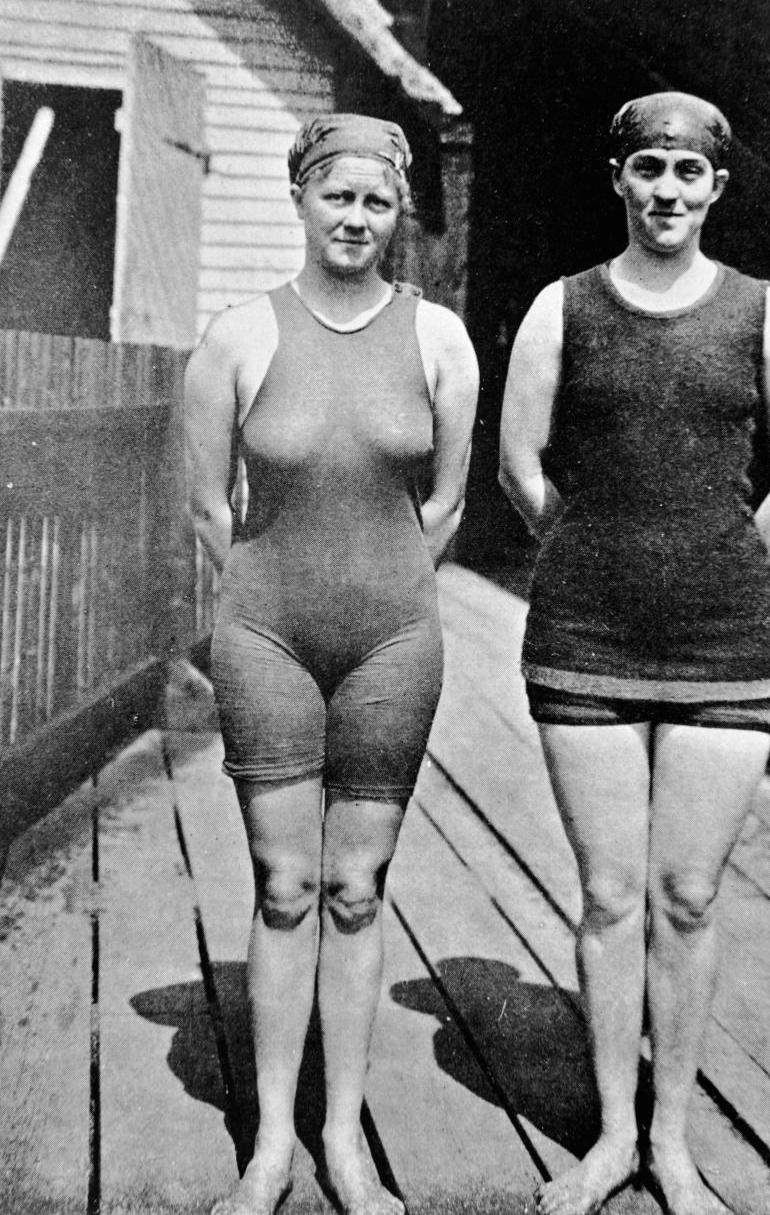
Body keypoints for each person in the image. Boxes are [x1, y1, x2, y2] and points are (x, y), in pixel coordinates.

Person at [499, 92, 770, 1215]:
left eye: (691, 174)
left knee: (686, 892)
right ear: (620, 177)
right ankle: (609, 1138)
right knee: (605, 891)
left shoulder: (762, 312)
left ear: (717, 187)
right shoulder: (562, 307)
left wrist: (720, 557)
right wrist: (597, 551)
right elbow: (519, 467)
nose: (669, 192)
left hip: (728, 642)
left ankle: (672, 1141)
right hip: (586, 635)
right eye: (650, 169)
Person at [185, 113, 479, 1215]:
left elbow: (446, 499)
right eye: (335, 196)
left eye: (377, 201)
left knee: (356, 889)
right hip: (266, 637)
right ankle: (270, 1143)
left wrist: (386, 583)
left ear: (400, 211)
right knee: (285, 882)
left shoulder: (441, 339)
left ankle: (343, 1136)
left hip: (395, 641)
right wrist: (271, 593)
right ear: (300, 198)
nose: (355, 218)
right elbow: (211, 508)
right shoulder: (236, 337)